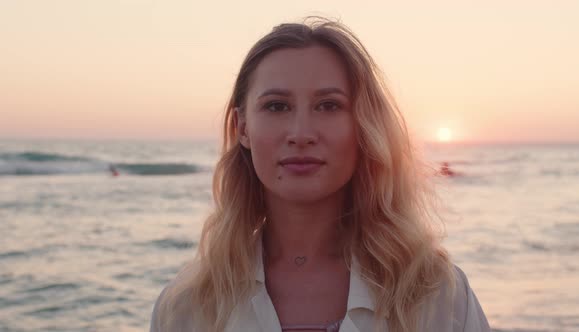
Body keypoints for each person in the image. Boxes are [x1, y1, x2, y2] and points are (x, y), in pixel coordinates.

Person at [150, 17, 490, 332]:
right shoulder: (188, 306)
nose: (301, 133)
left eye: (328, 106)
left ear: (363, 125)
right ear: (243, 128)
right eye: (276, 106)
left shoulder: (436, 294)